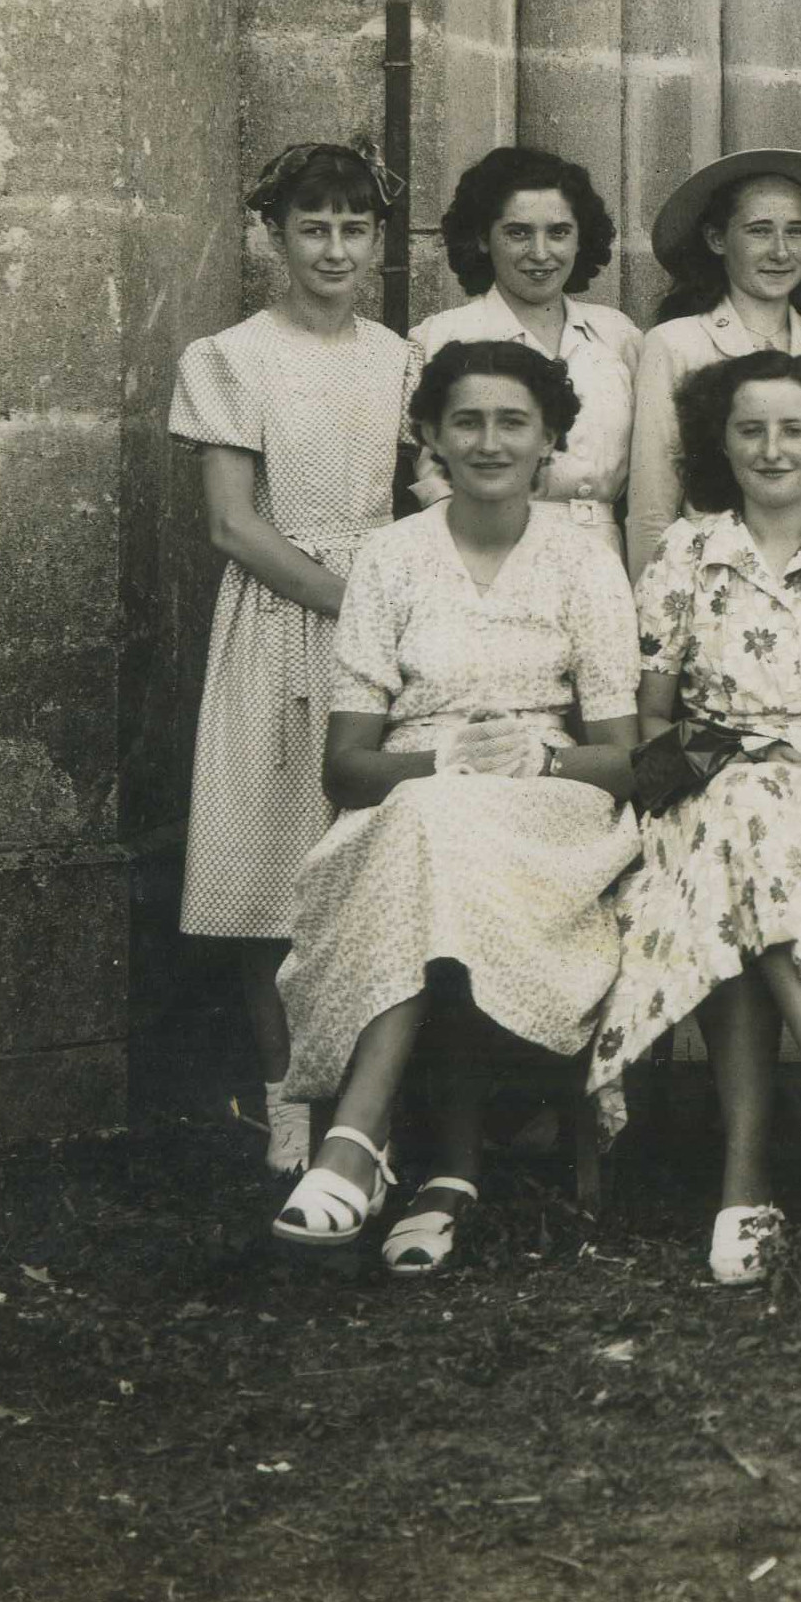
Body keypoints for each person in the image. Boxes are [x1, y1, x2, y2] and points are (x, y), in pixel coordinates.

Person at [264, 342, 642, 1272]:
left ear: (549, 438)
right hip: (408, 803)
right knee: (435, 826)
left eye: (513, 421)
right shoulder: (390, 558)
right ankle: (445, 1175)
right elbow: (345, 768)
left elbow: (626, 760)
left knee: (443, 833)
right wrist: (440, 762)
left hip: (547, 814)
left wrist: (543, 755)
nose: (489, 441)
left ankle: (360, 1143)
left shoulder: (586, 562)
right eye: (466, 420)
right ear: (431, 434)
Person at [597, 351, 801, 1286]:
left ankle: (744, 1183)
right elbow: (653, 720)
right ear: (721, 440)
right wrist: (729, 768)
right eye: (750, 429)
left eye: (794, 429)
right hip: (707, 791)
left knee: (748, 844)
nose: (772, 449)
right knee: (743, 815)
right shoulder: (685, 552)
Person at [170, 142, 415, 1174]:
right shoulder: (230, 356)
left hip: (386, 629)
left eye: (355, 228)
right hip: (280, 619)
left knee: (375, 865)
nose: (334, 249)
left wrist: (402, 611)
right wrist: (357, 604)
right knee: (272, 876)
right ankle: (284, 1108)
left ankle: (366, 1104)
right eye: (313, 228)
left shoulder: (398, 357)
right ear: (274, 235)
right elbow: (232, 524)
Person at [625, 149, 801, 575]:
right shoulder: (676, 344)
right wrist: (652, 595)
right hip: (706, 573)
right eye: (760, 231)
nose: (781, 252)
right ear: (717, 239)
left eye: (796, 232)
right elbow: (651, 507)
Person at [406, 143, 648, 517]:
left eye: (558, 232)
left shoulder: (618, 335)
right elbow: (432, 476)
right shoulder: (440, 337)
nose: (540, 253)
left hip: (607, 546)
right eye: (518, 233)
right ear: (483, 238)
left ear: (580, 238)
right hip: (487, 539)